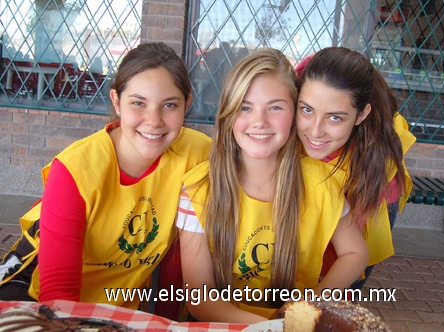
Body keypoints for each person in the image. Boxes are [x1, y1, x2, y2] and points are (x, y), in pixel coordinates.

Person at [0, 42, 211, 309]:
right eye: (138, 103)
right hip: (33, 295)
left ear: (186, 105)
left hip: (114, 310)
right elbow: (58, 298)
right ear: (116, 101)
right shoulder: (75, 169)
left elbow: (179, 255)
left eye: (169, 105)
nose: (154, 120)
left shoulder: (198, 153)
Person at [176, 48, 368, 323]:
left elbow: (356, 252)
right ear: (228, 113)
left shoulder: (321, 181)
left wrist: (313, 303)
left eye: (275, 107)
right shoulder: (198, 189)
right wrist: (270, 328)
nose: (259, 121)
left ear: (295, 113)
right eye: (245, 107)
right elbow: (200, 300)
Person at [295, 46, 416, 289]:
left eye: (335, 117)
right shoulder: (290, 102)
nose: (315, 131)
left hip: (368, 189)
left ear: (361, 115)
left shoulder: (377, 160)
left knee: (343, 287)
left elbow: (353, 255)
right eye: (307, 109)